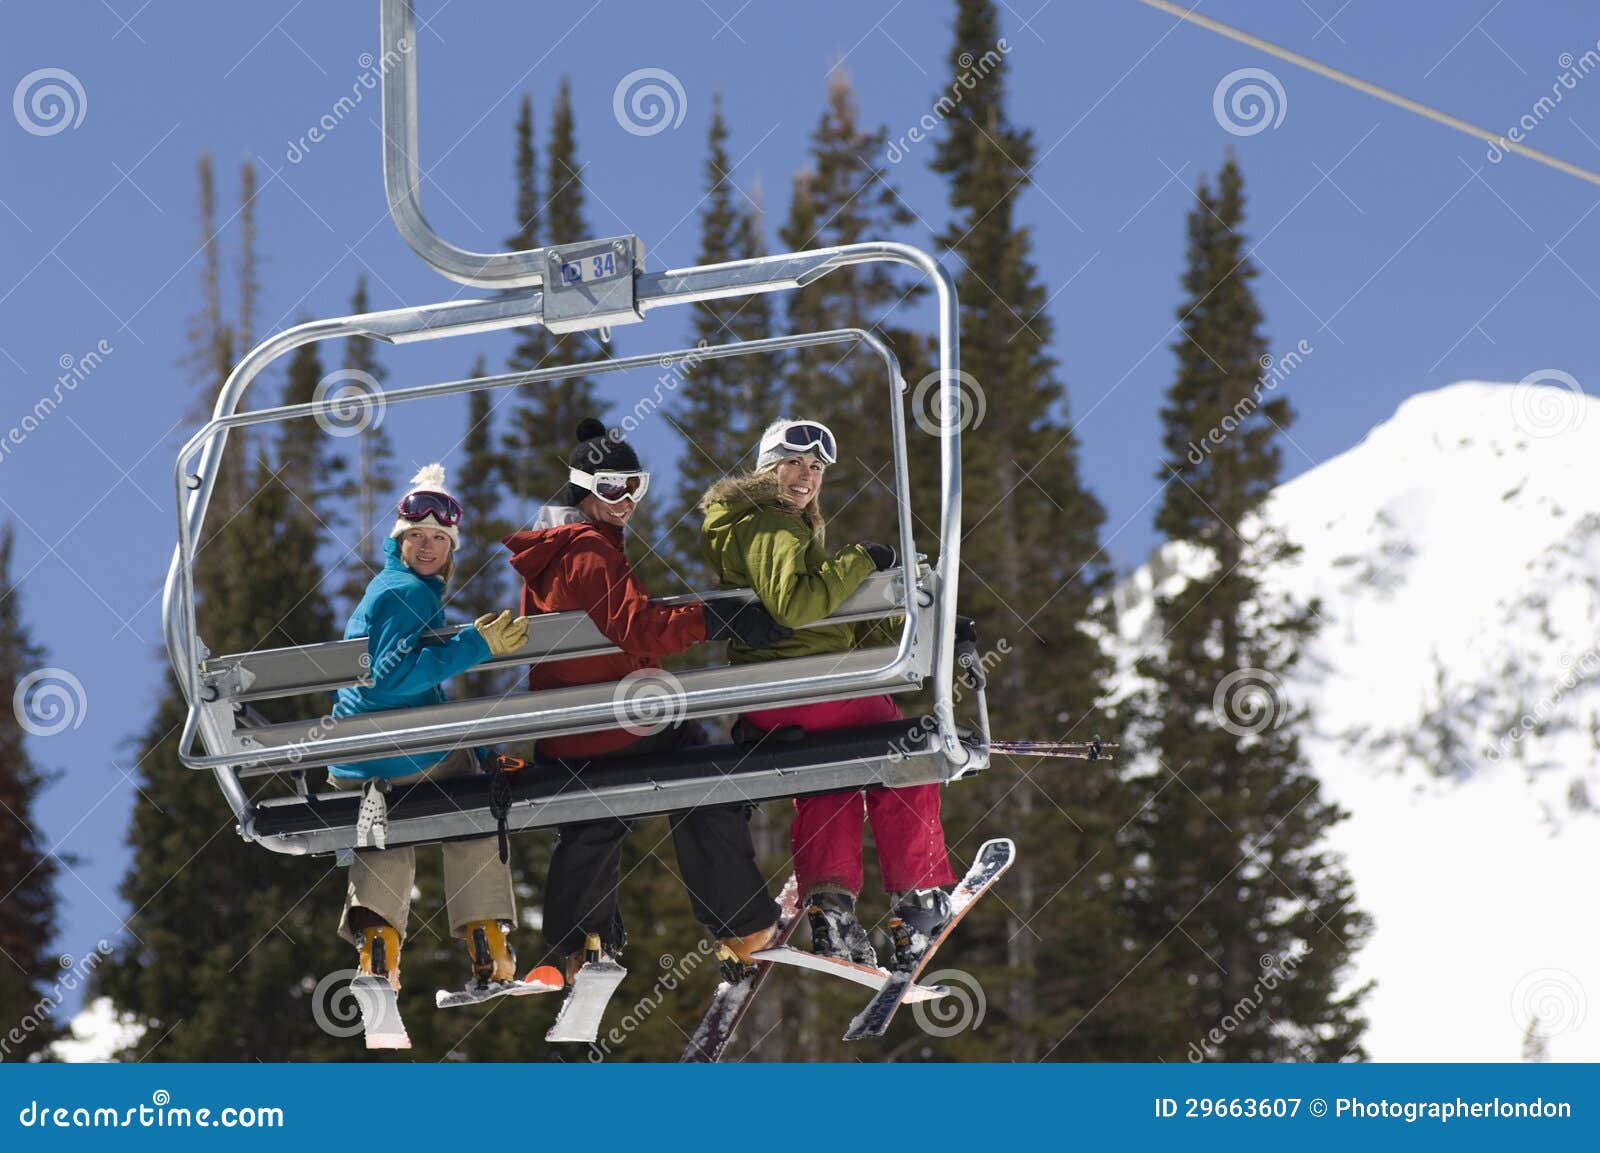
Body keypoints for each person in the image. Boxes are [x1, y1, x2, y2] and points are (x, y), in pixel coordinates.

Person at [502, 419, 787, 981]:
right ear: (583, 487)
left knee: (595, 817)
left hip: (570, 737)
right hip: (615, 729)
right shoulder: (587, 551)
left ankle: (578, 944)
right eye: (612, 488)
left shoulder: (555, 553)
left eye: (637, 486)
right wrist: (715, 618)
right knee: (705, 775)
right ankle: (742, 923)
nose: (627, 500)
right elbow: (637, 627)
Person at [699, 418, 958, 970]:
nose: (806, 476)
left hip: (785, 694)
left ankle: (833, 909)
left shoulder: (767, 526)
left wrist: (896, 616)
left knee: (830, 779)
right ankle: (918, 901)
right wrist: (861, 559)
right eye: (794, 463)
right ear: (768, 467)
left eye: (816, 468)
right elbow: (796, 607)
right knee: (908, 751)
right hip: (803, 685)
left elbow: (821, 617)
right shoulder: (769, 523)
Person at [327, 463, 554, 999]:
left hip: (356, 766)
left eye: (438, 538)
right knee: (472, 804)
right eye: (417, 537)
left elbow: (399, 684)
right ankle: (489, 951)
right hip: (408, 757)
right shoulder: (408, 592)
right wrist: (478, 646)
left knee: (380, 830)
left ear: (450, 548)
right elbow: (392, 680)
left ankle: (377, 954)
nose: (428, 546)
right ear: (398, 541)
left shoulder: (388, 588)